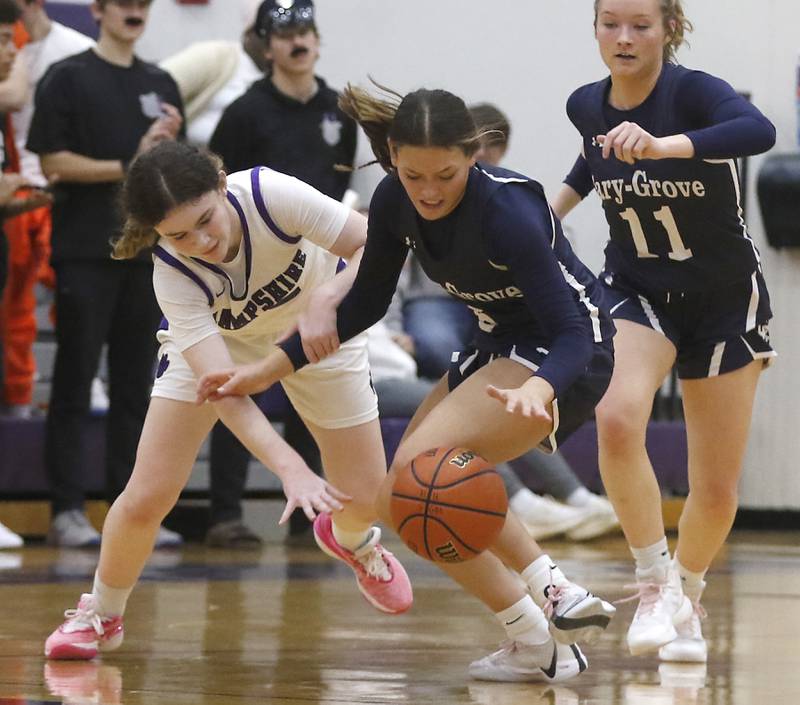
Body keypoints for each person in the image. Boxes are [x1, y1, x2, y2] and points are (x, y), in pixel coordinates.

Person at [198, 85, 618, 683]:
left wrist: (542, 389)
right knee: (404, 496)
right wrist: (267, 369)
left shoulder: (509, 212)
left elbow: (573, 328)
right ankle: (534, 641)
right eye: (412, 172)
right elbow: (365, 303)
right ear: (392, 155)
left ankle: (555, 590)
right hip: (499, 344)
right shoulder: (396, 200)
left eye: (445, 174)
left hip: (573, 349)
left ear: (474, 156)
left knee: (428, 469)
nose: (428, 190)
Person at [42, 140, 413, 660]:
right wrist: (290, 468)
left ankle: (353, 541)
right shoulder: (172, 271)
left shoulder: (269, 194)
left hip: (315, 331)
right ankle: (103, 613)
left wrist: (328, 298)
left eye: (205, 220)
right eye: (178, 234)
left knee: (367, 494)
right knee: (147, 494)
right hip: (223, 346)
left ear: (221, 185)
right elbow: (223, 391)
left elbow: (374, 244)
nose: (200, 241)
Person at [551, 0, 776, 662]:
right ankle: (654, 584)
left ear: (668, 29)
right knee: (617, 419)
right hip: (637, 287)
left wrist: (667, 146)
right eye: (610, 22)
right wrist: (550, 210)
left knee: (713, 485)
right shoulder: (585, 105)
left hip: (723, 297)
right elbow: (593, 160)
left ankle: (689, 595)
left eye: (641, 25)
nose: (624, 37)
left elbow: (757, 129)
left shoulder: (694, 95)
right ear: (594, 27)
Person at [26, 0, 185, 548]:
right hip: (85, 252)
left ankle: (133, 513)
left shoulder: (161, 81)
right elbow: (52, 163)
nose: (134, 12)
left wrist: (164, 156)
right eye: (124, 4)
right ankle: (66, 510)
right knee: (73, 383)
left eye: (143, 3)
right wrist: (132, 162)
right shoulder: (66, 78)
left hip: (147, 259)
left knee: (136, 390)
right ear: (98, 10)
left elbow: (173, 174)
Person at [199, 0, 359, 547]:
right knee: (237, 384)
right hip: (246, 273)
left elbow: (340, 194)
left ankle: (313, 515)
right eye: (286, 34)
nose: (298, 42)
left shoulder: (340, 111)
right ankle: (225, 513)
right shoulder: (246, 112)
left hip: (313, 269)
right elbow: (214, 191)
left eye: (306, 31)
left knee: (309, 381)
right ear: (266, 47)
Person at [0, 0, 94, 419]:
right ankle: (18, 392)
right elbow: (16, 94)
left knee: (71, 293)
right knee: (17, 300)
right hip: (18, 178)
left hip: (44, 180)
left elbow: (16, 94)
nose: (10, 51)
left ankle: (80, 381)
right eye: (5, 43)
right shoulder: (16, 41)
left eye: (10, 42)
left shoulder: (72, 47)